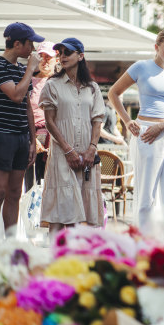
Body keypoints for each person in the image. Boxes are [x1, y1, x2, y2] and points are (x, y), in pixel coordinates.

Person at [108, 29, 164, 236]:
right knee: (146, 196)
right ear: (157, 47)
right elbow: (113, 93)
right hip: (145, 134)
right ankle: (142, 243)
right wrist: (127, 121)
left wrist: (163, 127)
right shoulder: (141, 67)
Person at [39, 38, 104, 233]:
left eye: (68, 52)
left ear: (80, 56)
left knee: (80, 206)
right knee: (61, 208)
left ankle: (75, 257)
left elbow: (97, 120)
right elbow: (50, 121)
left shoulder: (92, 87)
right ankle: (55, 257)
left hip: (87, 153)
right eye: (60, 53)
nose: (63, 56)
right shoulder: (52, 85)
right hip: (61, 152)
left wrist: (92, 149)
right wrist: (68, 150)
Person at [0, 22, 43, 230]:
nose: (33, 48)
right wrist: (31, 69)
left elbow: (27, 107)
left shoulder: (23, 69)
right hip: (2, 135)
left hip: (21, 137)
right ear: (17, 44)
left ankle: (10, 242)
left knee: (15, 192)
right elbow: (16, 95)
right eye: (30, 43)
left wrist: (32, 141)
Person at [24, 41, 58, 191]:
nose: (44, 61)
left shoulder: (61, 82)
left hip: (55, 139)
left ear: (56, 59)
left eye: (48, 57)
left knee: (51, 185)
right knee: (31, 185)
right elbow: (23, 111)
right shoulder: (28, 81)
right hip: (32, 137)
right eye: (41, 57)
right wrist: (32, 139)